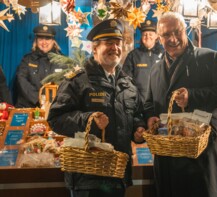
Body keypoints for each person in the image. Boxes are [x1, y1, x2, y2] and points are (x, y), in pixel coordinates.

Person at [143, 12, 217, 197]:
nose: (172, 39)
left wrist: (194, 96)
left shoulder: (209, 58)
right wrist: (150, 118)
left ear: (185, 30)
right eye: (166, 35)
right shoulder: (155, 69)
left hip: (202, 160)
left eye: (177, 32)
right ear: (159, 38)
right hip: (167, 160)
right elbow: (149, 103)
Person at [47, 19, 146, 197]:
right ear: (94, 48)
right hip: (88, 180)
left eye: (118, 43)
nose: (115, 48)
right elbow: (56, 118)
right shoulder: (77, 81)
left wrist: (138, 129)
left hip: (118, 176)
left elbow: (136, 114)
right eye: (109, 43)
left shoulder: (128, 85)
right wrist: (88, 120)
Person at [15, 24, 63, 108]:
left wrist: (52, 102)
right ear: (36, 41)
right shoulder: (27, 60)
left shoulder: (63, 61)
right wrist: (39, 99)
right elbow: (21, 81)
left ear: (53, 41)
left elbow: (67, 85)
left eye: (47, 38)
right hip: (30, 106)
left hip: (54, 107)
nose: (44, 42)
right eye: (40, 39)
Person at [123, 20, 163, 102]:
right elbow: (125, 80)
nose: (148, 37)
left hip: (160, 102)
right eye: (145, 34)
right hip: (139, 104)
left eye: (151, 34)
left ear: (156, 36)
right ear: (141, 36)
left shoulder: (165, 55)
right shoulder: (133, 55)